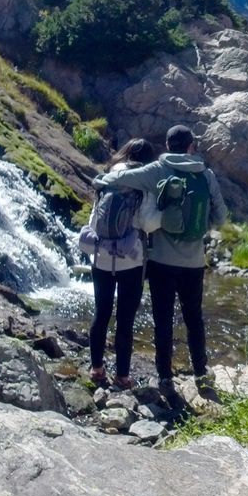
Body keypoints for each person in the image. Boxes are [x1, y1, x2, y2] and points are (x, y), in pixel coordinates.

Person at [95, 124, 227, 397]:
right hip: (193, 262)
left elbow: (123, 180)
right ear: (191, 146)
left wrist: (101, 181)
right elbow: (221, 217)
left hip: (160, 262)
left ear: (168, 146)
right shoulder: (207, 174)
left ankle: (165, 378)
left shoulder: (157, 170)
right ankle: (201, 373)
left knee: (162, 320)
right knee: (194, 318)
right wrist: (204, 225)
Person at [88, 137, 156, 390]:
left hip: (101, 256)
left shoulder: (105, 179)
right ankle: (123, 377)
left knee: (101, 313)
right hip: (131, 259)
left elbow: (94, 219)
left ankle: (96, 369)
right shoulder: (143, 182)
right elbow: (148, 223)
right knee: (125, 319)